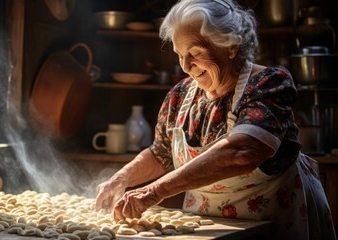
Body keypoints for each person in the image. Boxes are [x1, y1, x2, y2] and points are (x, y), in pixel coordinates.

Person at [95, 0, 337, 239]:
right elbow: (162, 152)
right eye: (180, 55)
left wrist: (154, 191)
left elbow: (241, 152)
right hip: (208, 228)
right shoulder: (180, 96)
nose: (186, 66)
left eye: (195, 52)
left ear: (231, 45)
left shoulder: (269, 83)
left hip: (275, 223)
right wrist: (122, 178)